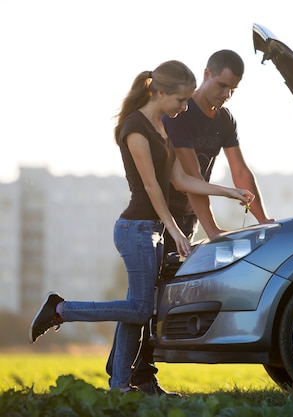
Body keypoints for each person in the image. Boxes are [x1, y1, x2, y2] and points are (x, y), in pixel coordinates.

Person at [29, 60, 254, 393]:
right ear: (161, 92)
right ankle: (60, 309)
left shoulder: (164, 125)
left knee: (137, 311)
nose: (184, 106)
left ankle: (120, 387)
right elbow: (151, 187)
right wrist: (175, 229)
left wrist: (230, 191)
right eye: (180, 100)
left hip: (152, 232)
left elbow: (180, 180)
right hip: (135, 230)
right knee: (140, 308)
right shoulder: (135, 128)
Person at [126, 50, 275, 395]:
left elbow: (240, 172)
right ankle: (135, 376)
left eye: (233, 90)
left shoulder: (225, 120)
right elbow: (190, 177)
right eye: (222, 85)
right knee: (145, 299)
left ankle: (139, 376)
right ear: (207, 73)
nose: (226, 95)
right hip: (161, 218)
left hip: (189, 221)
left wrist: (263, 218)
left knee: (159, 300)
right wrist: (212, 231)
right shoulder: (179, 113)